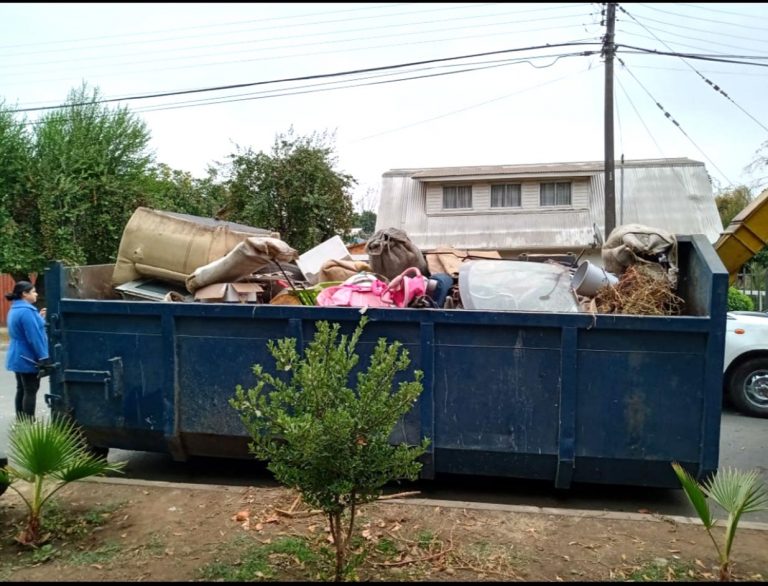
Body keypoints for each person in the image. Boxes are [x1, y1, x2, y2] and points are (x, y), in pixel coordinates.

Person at [4, 281, 49, 420]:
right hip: (28, 356)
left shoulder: (16, 308)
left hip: (17, 354)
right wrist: (43, 356)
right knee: (31, 390)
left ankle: (21, 420)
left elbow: (27, 329)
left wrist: (40, 318)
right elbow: (34, 337)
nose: (36, 294)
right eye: (34, 291)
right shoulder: (27, 311)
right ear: (25, 294)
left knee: (21, 389)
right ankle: (29, 422)